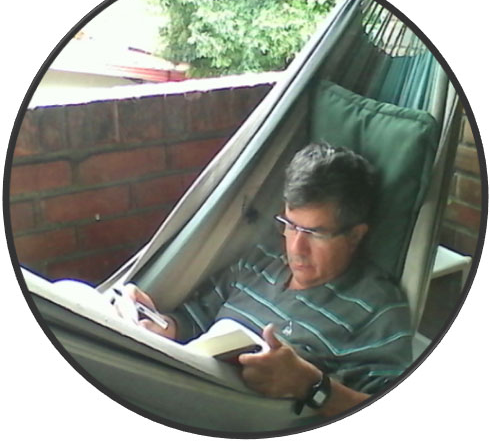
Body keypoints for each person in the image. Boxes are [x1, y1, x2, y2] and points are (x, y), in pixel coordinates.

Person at [122, 142, 412, 418]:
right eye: (290, 226)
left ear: (355, 235)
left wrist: (309, 385)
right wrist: (164, 326)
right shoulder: (260, 261)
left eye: (315, 233)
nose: (296, 248)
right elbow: (198, 316)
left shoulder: (377, 308)